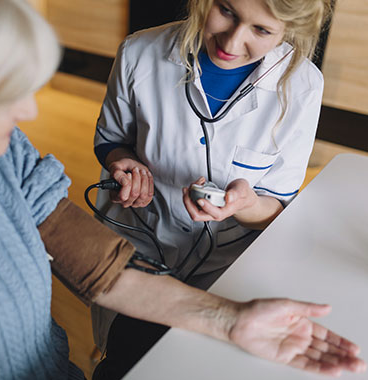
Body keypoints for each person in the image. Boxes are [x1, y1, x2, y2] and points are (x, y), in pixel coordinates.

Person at [0, 1, 365, 380]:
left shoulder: (3, 155)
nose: (30, 112)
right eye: (3, 94)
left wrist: (229, 319)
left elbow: (94, 264)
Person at [91, 0, 347, 377]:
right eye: (226, 11)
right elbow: (110, 138)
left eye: (261, 30)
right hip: (142, 242)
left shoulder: (303, 85)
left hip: (227, 266)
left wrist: (244, 205)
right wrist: (121, 163)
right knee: (127, 357)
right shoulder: (139, 52)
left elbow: (277, 207)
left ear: (287, 31)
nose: (232, 40)